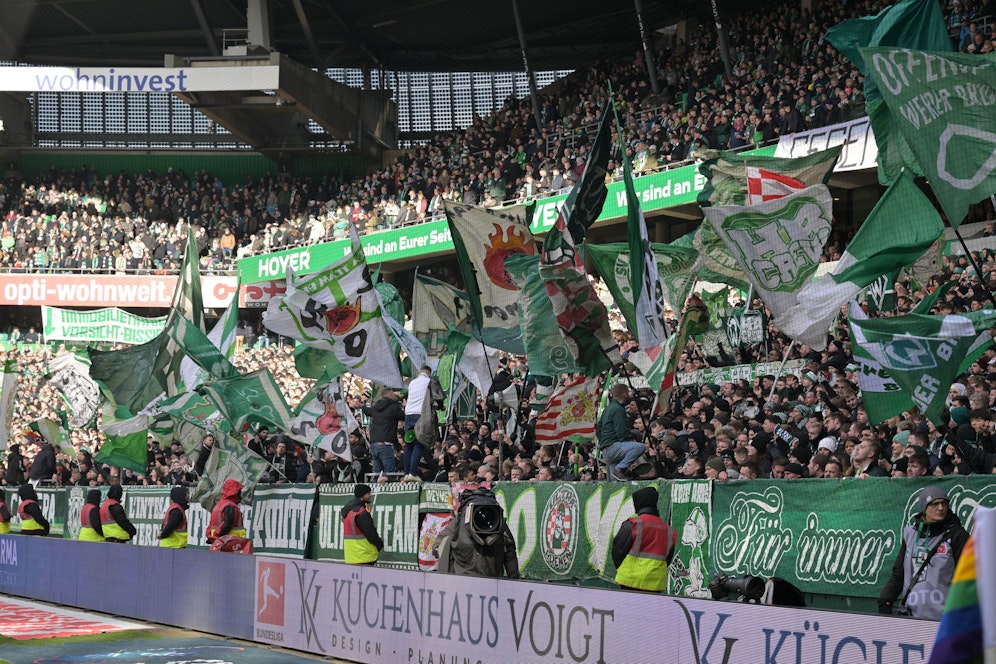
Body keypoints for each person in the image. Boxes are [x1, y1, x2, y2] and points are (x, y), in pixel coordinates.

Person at [878, 486, 969, 620]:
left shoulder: (957, 535)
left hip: (944, 618)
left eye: (944, 503)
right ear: (924, 507)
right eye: (935, 504)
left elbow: (969, 577)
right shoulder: (910, 533)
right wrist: (885, 599)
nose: (940, 508)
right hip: (912, 615)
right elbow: (899, 573)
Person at [611, 486, 677, 592]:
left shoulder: (632, 524)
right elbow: (667, 558)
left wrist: (622, 569)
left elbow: (618, 550)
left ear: (639, 503)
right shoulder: (670, 530)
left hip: (629, 580)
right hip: (656, 583)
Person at [596, 384, 646, 479]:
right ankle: (620, 468)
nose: (629, 395)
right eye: (628, 392)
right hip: (614, 447)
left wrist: (603, 444)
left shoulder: (607, 409)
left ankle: (618, 471)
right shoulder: (618, 409)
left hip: (606, 450)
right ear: (624, 394)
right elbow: (622, 432)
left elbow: (598, 430)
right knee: (640, 447)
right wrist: (627, 445)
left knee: (615, 483)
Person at [362, 387, 405, 474]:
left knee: (377, 473)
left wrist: (361, 406)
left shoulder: (375, 407)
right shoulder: (393, 408)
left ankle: (374, 487)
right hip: (386, 444)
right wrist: (404, 405)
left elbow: (367, 411)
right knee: (389, 474)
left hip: (374, 444)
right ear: (391, 395)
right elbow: (404, 416)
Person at [341, 484, 383, 565]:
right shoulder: (361, 513)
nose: (371, 495)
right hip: (365, 556)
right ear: (362, 495)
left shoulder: (347, 512)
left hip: (351, 557)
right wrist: (380, 544)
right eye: (368, 493)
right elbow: (371, 534)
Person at [403, 366, 432, 481]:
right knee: (419, 443)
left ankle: (406, 472)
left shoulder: (412, 383)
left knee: (408, 444)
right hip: (420, 414)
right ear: (429, 373)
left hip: (408, 414)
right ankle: (413, 472)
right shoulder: (428, 382)